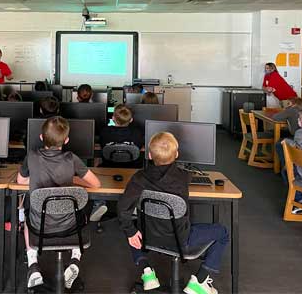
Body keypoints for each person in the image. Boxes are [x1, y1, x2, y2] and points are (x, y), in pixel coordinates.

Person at [118, 132, 229, 294]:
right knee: (223, 232)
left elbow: (122, 208)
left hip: (149, 237)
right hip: (181, 239)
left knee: (132, 231)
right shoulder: (184, 177)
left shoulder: (139, 178)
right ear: (177, 154)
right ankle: (200, 280)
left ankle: (146, 272)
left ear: (149, 155)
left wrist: (130, 231)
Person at [17, 116, 101, 290]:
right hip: (69, 225)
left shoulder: (31, 156)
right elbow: (96, 184)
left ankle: (33, 265)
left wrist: (36, 178)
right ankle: (75, 259)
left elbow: (20, 181)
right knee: (82, 211)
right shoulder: (72, 158)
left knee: (27, 214)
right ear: (67, 140)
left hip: (39, 225)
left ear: (41, 137)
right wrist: (74, 180)